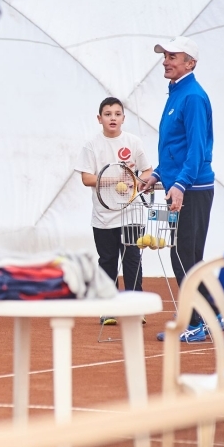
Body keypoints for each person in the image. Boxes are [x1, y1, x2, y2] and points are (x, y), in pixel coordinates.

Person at [141, 36, 220, 342]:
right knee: (185, 254)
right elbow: (177, 145)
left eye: (173, 56)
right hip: (179, 186)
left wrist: (181, 184)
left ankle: (199, 320)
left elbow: (197, 149)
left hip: (193, 188)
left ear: (191, 63)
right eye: (165, 56)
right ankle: (204, 312)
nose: (166, 60)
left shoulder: (193, 97)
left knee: (184, 254)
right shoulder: (177, 93)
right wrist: (159, 174)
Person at [75, 96, 152, 325]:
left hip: (131, 215)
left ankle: (135, 308)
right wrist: (114, 179)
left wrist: (136, 181)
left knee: (132, 259)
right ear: (99, 119)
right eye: (108, 114)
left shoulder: (134, 142)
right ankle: (108, 309)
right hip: (103, 217)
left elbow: (147, 171)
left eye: (117, 114)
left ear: (123, 118)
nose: (113, 118)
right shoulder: (91, 145)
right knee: (107, 261)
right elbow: (86, 178)